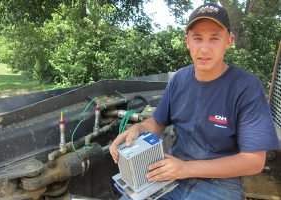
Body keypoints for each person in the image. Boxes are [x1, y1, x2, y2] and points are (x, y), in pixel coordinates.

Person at [109, 3, 280, 200]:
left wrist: (186, 168)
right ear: (187, 42)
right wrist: (137, 130)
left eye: (214, 39)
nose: (204, 48)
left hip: (220, 183)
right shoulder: (179, 79)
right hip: (172, 171)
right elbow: (157, 122)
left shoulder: (246, 87)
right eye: (197, 38)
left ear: (229, 41)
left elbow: (254, 162)